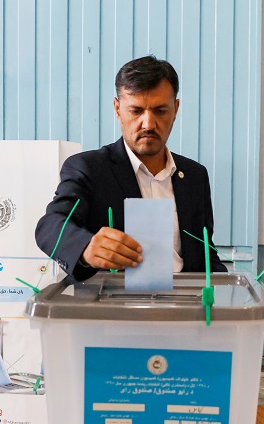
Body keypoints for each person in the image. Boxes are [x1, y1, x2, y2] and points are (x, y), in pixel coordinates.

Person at [36, 55, 227, 280]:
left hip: (184, 307)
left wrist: (230, 294)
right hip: (114, 308)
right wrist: (86, 248)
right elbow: (51, 225)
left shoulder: (195, 176)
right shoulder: (88, 169)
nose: (148, 123)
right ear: (117, 109)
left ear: (175, 109)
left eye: (160, 111)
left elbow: (205, 253)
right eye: (136, 111)